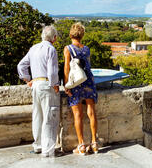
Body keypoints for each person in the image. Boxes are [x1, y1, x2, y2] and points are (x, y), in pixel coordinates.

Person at [17, 25, 60, 158]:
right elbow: (52, 72)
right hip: (46, 84)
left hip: (35, 84)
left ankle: (38, 145)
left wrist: (27, 80)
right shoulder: (51, 49)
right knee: (49, 116)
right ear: (54, 38)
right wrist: (55, 85)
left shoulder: (33, 48)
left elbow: (21, 65)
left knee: (37, 115)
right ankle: (47, 149)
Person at [64, 22, 99, 155]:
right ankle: (94, 143)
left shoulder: (68, 49)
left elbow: (67, 68)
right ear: (82, 35)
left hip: (76, 83)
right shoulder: (87, 49)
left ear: (71, 34)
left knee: (78, 114)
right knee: (91, 112)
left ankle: (82, 145)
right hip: (88, 80)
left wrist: (67, 84)